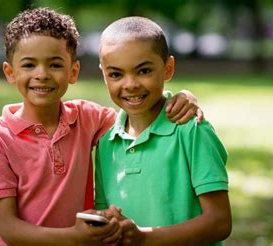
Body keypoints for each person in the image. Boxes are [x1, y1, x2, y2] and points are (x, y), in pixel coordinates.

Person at [0, 7, 203, 246]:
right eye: (29, 65)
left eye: (55, 65)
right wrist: (73, 237)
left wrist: (183, 96)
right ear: (10, 73)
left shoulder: (87, 118)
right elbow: (9, 230)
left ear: (73, 71)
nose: (42, 74)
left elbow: (139, 112)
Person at [95, 16, 232, 245]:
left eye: (144, 71)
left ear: (168, 69)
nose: (130, 85)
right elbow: (106, 214)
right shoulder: (106, 142)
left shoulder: (191, 129)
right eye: (116, 74)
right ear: (104, 75)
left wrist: (144, 238)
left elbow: (219, 222)